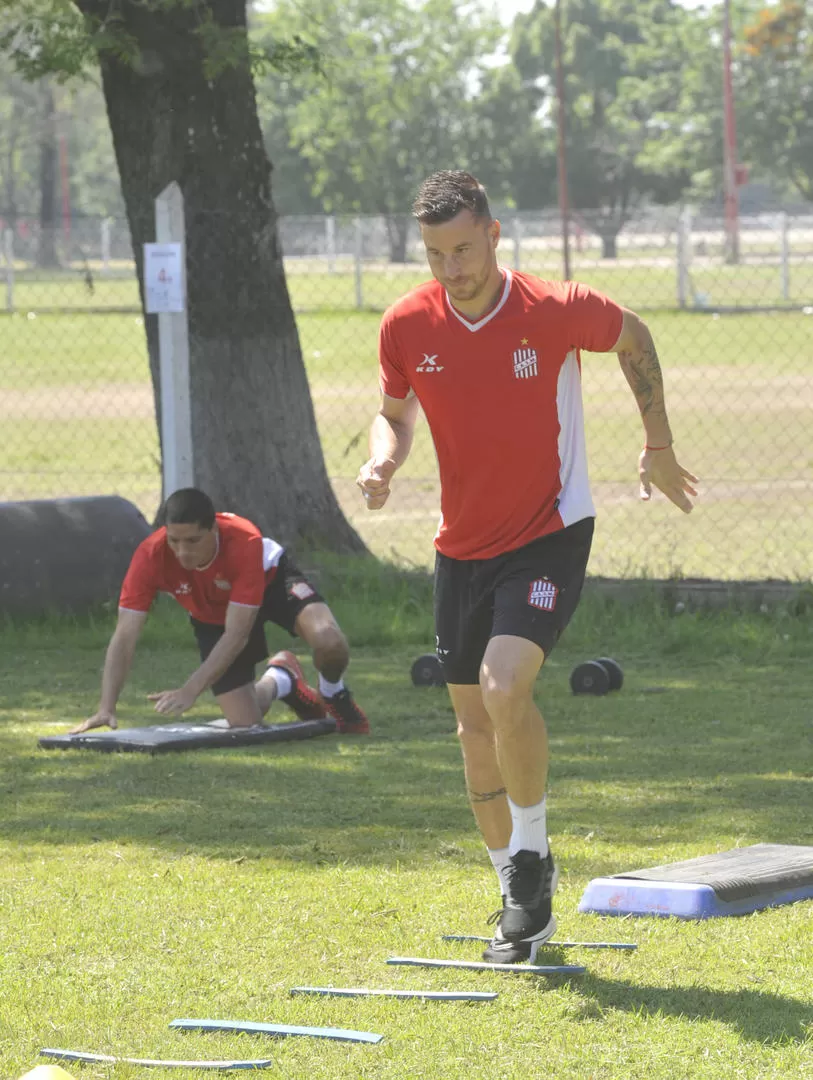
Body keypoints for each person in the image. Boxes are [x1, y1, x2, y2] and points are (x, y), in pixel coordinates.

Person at [357, 170, 697, 962]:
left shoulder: (555, 309)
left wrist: (657, 443)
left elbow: (635, 337)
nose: (451, 268)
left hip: (548, 533)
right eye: (436, 254)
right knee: (473, 728)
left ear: (495, 233)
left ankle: (533, 855)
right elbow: (392, 410)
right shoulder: (406, 323)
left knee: (506, 685)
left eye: (464, 249)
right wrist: (383, 460)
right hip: (458, 549)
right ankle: (516, 897)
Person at [70, 487, 369, 736]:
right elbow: (125, 636)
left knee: (330, 641)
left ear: (213, 529)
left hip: (272, 581)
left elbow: (238, 633)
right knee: (245, 724)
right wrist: (106, 707)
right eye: (174, 541)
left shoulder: (243, 540)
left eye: (193, 541)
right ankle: (283, 679)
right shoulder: (150, 556)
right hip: (213, 613)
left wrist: (190, 689)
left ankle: (333, 692)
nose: (183, 551)